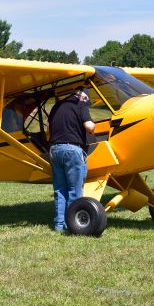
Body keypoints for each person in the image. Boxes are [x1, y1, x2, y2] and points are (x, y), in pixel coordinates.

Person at [47, 86, 95, 232]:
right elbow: (90, 127)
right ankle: (72, 224)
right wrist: (93, 124)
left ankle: (59, 225)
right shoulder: (80, 104)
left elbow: (49, 132)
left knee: (60, 190)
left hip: (55, 150)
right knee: (74, 190)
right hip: (72, 150)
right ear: (83, 97)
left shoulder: (56, 106)